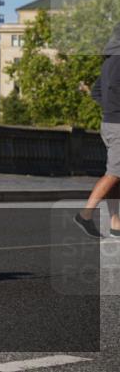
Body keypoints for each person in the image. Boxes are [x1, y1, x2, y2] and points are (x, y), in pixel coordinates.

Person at [75, 23, 120, 238]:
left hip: (109, 123)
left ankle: (115, 223)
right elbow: (112, 89)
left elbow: (96, 92)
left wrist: (110, 108)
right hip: (118, 125)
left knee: (117, 175)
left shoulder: (109, 61)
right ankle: (85, 215)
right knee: (114, 174)